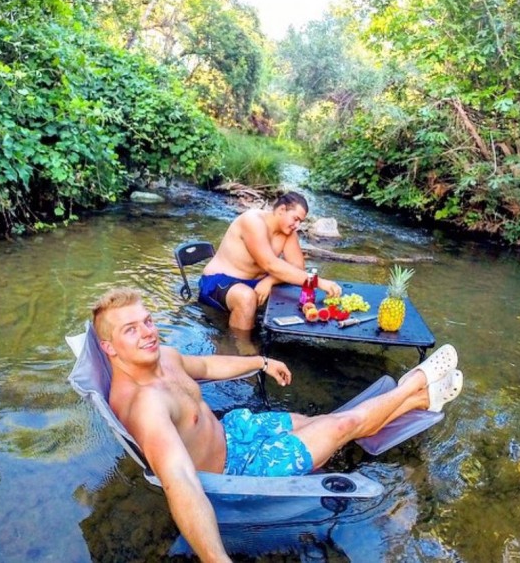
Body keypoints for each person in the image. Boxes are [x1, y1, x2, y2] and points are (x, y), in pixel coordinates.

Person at [92, 287, 463, 563]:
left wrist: (260, 362)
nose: (147, 333)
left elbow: (204, 367)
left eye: (148, 321)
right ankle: (415, 385)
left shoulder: (164, 357)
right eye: (130, 330)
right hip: (236, 470)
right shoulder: (146, 407)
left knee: (318, 422)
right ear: (109, 348)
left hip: (234, 431)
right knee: (340, 426)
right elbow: (182, 484)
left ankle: (419, 400)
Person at [199, 191, 342, 330]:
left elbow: (298, 268)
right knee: (246, 297)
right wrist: (319, 282)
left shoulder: (288, 233)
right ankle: (241, 348)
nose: (297, 226)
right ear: (281, 209)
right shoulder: (252, 221)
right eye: (296, 219)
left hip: (257, 282)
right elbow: (269, 264)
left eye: (301, 221)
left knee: (297, 296)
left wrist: (270, 281)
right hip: (220, 281)